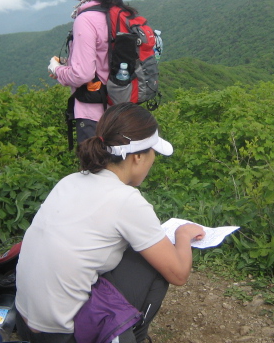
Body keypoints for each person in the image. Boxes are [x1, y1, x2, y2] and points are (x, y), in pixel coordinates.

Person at [15, 103, 206, 343]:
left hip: (25, 323)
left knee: (133, 249)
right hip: (65, 335)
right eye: (152, 152)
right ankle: (129, 337)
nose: (153, 159)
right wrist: (183, 235)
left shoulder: (70, 181)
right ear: (137, 157)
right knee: (157, 264)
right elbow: (178, 274)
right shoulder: (127, 201)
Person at [48, 0, 137, 146]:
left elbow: (82, 74)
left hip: (93, 115)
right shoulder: (112, 11)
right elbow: (103, 58)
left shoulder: (87, 18)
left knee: (95, 172)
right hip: (117, 111)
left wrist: (56, 69)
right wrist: (68, 65)